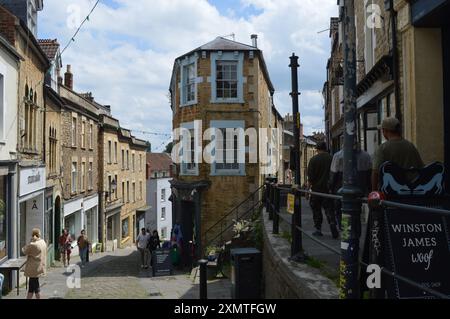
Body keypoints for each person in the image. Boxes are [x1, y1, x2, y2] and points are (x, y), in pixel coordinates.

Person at [372, 117, 424, 191]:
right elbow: (421, 168)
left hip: (390, 192)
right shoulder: (410, 146)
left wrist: (374, 192)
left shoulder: (382, 148)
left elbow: (375, 172)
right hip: (411, 190)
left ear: (385, 131)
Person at [329, 141, 372, 229]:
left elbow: (333, 176)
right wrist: (369, 190)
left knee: (342, 211)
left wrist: (331, 189)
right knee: (356, 212)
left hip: (342, 188)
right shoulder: (366, 155)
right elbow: (368, 175)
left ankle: (345, 231)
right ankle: (355, 232)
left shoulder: (338, 156)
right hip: (359, 189)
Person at [307, 141, 338, 238]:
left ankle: (318, 229)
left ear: (317, 149)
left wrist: (307, 191)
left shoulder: (313, 160)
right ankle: (332, 224)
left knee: (316, 209)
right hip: (328, 190)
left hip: (316, 190)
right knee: (329, 209)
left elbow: (310, 178)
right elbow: (336, 173)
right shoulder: (332, 158)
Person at [22, 228, 47, 299]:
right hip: (40, 266)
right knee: (32, 287)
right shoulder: (43, 242)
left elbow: (24, 251)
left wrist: (30, 242)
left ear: (32, 235)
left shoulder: (33, 244)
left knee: (36, 287)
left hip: (33, 268)